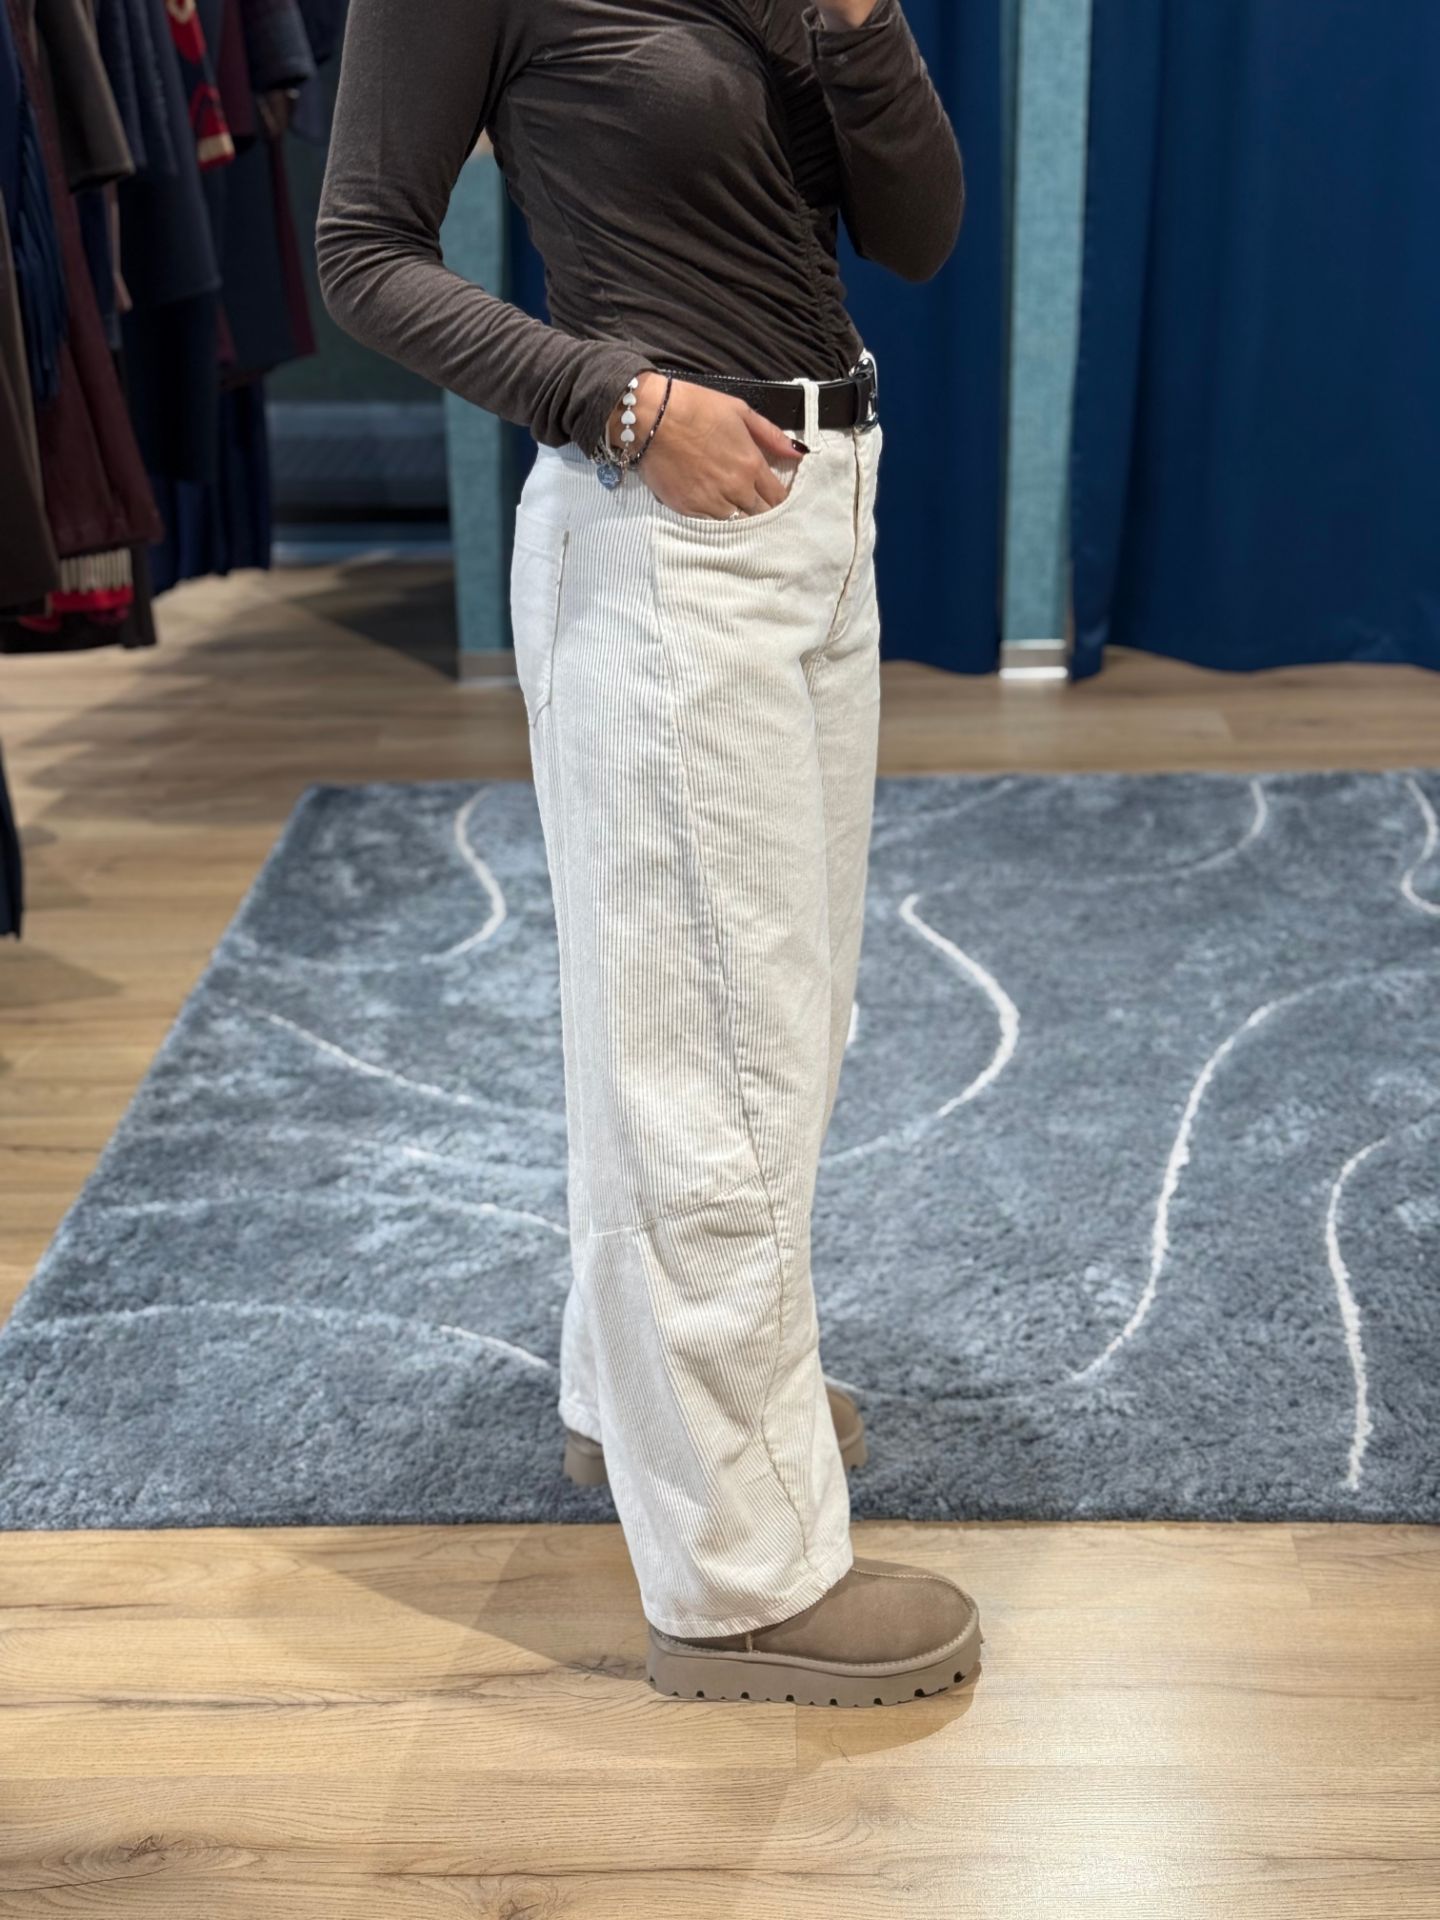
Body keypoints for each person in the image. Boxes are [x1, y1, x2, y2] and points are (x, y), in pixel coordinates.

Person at [317, 0, 981, 1707]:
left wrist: (860, 21)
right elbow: (361, 252)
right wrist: (612, 397)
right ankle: (747, 1583)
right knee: (715, 1061)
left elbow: (917, 233)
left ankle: (643, 1407)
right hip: (662, 537)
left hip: (824, 511)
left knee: (776, 1023)